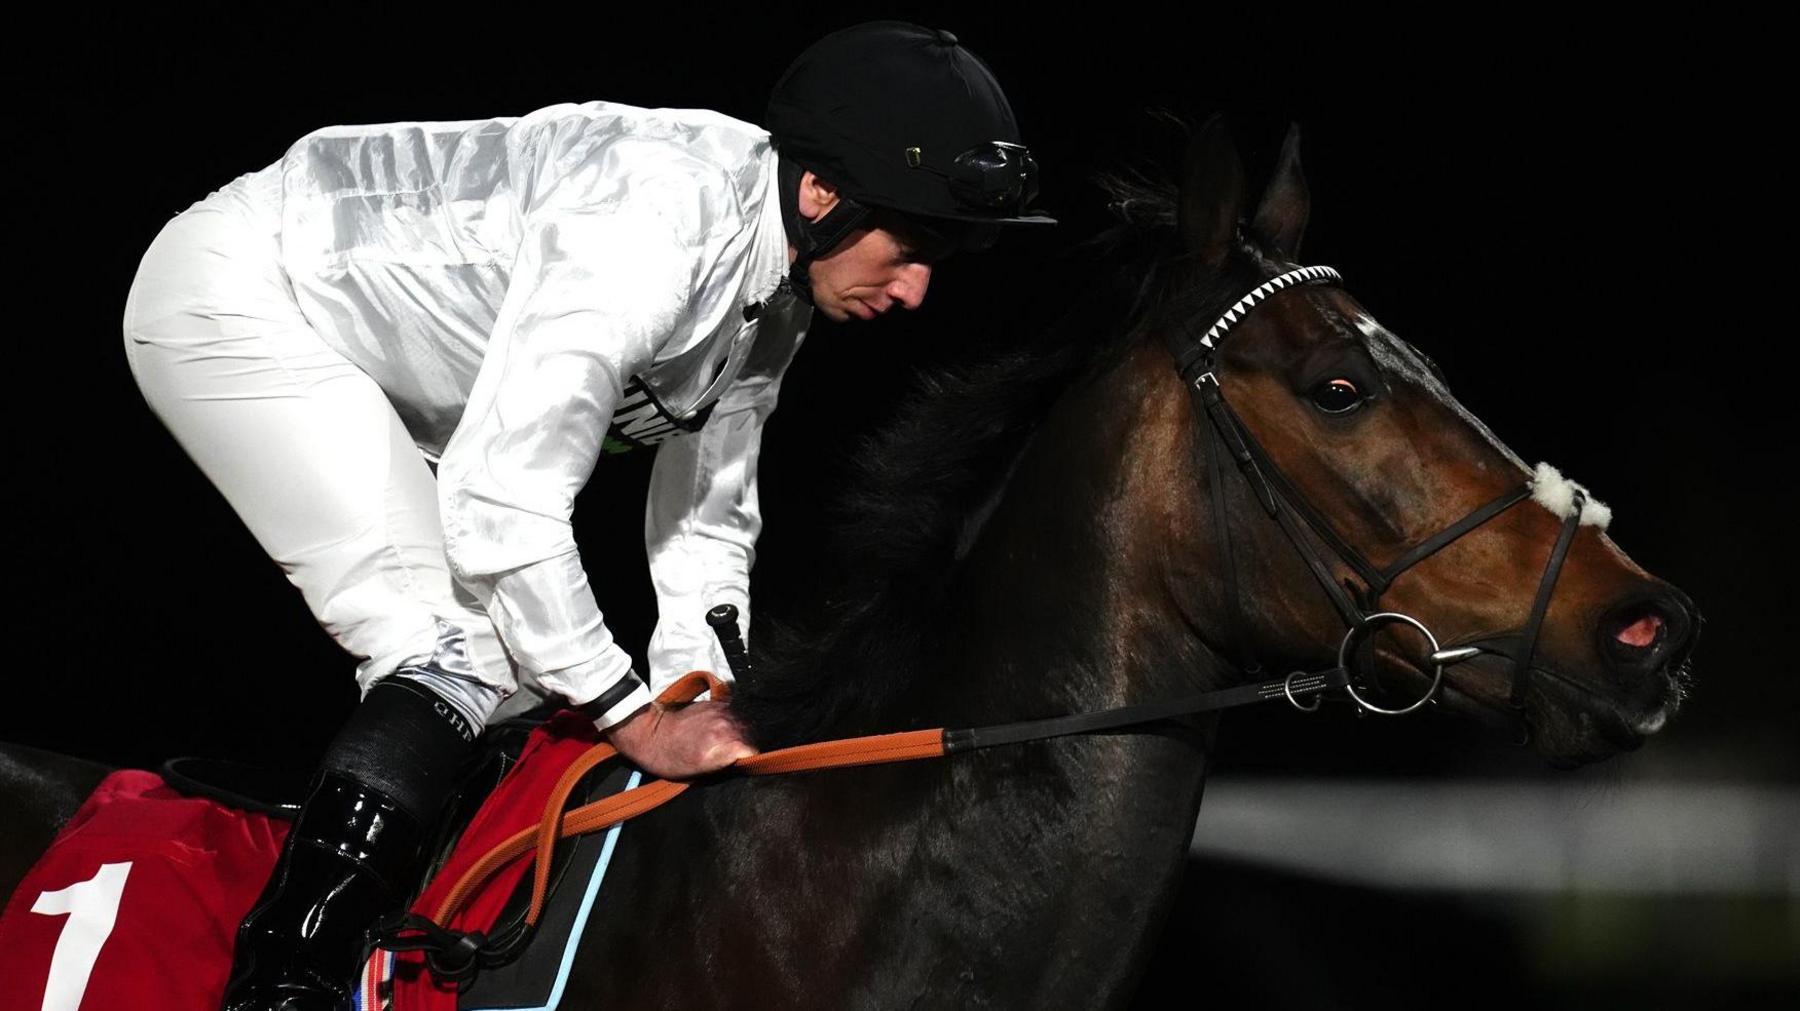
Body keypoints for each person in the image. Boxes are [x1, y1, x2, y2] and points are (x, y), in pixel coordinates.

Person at [120, 19, 1053, 1011]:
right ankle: (283, 983)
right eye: (908, 246)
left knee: (523, 680)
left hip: (389, 359)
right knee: (459, 651)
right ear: (822, 193)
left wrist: (703, 693)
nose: (915, 290)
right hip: (248, 298)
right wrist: (634, 721)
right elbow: (504, 505)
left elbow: (708, 507)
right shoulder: (652, 231)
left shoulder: (779, 269)